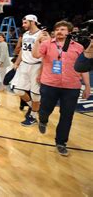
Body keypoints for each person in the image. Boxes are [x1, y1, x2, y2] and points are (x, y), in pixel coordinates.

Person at [33, 21, 90, 156]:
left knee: (67, 116)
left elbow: (84, 68)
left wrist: (87, 86)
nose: (59, 31)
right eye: (57, 29)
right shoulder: (47, 44)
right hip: (49, 84)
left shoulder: (79, 47)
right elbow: (35, 55)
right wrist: (37, 40)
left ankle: (61, 142)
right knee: (45, 109)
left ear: (69, 32)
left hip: (72, 87)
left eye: (63, 29)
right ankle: (43, 120)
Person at [11, 15, 43, 126]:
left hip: (37, 65)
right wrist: (17, 62)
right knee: (18, 90)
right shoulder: (25, 35)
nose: (23, 25)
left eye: (25, 22)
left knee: (35, 95)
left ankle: (33, 116)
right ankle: (34, 107)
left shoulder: (42, 35)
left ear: (32, 22)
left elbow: (46, 53)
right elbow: (22, 51)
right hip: (24, 65)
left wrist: (42, 70)